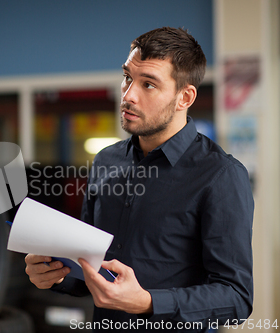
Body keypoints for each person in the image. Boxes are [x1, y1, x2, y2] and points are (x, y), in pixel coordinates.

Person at [24, 27, 254, 332]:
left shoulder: (221, 175)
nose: (129, 94)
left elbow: (236, 298)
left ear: (184, 96)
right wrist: (56, 275)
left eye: (148, 84)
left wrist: (147, 302)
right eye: (127, 77)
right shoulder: (106, 161)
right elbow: (91, 269)